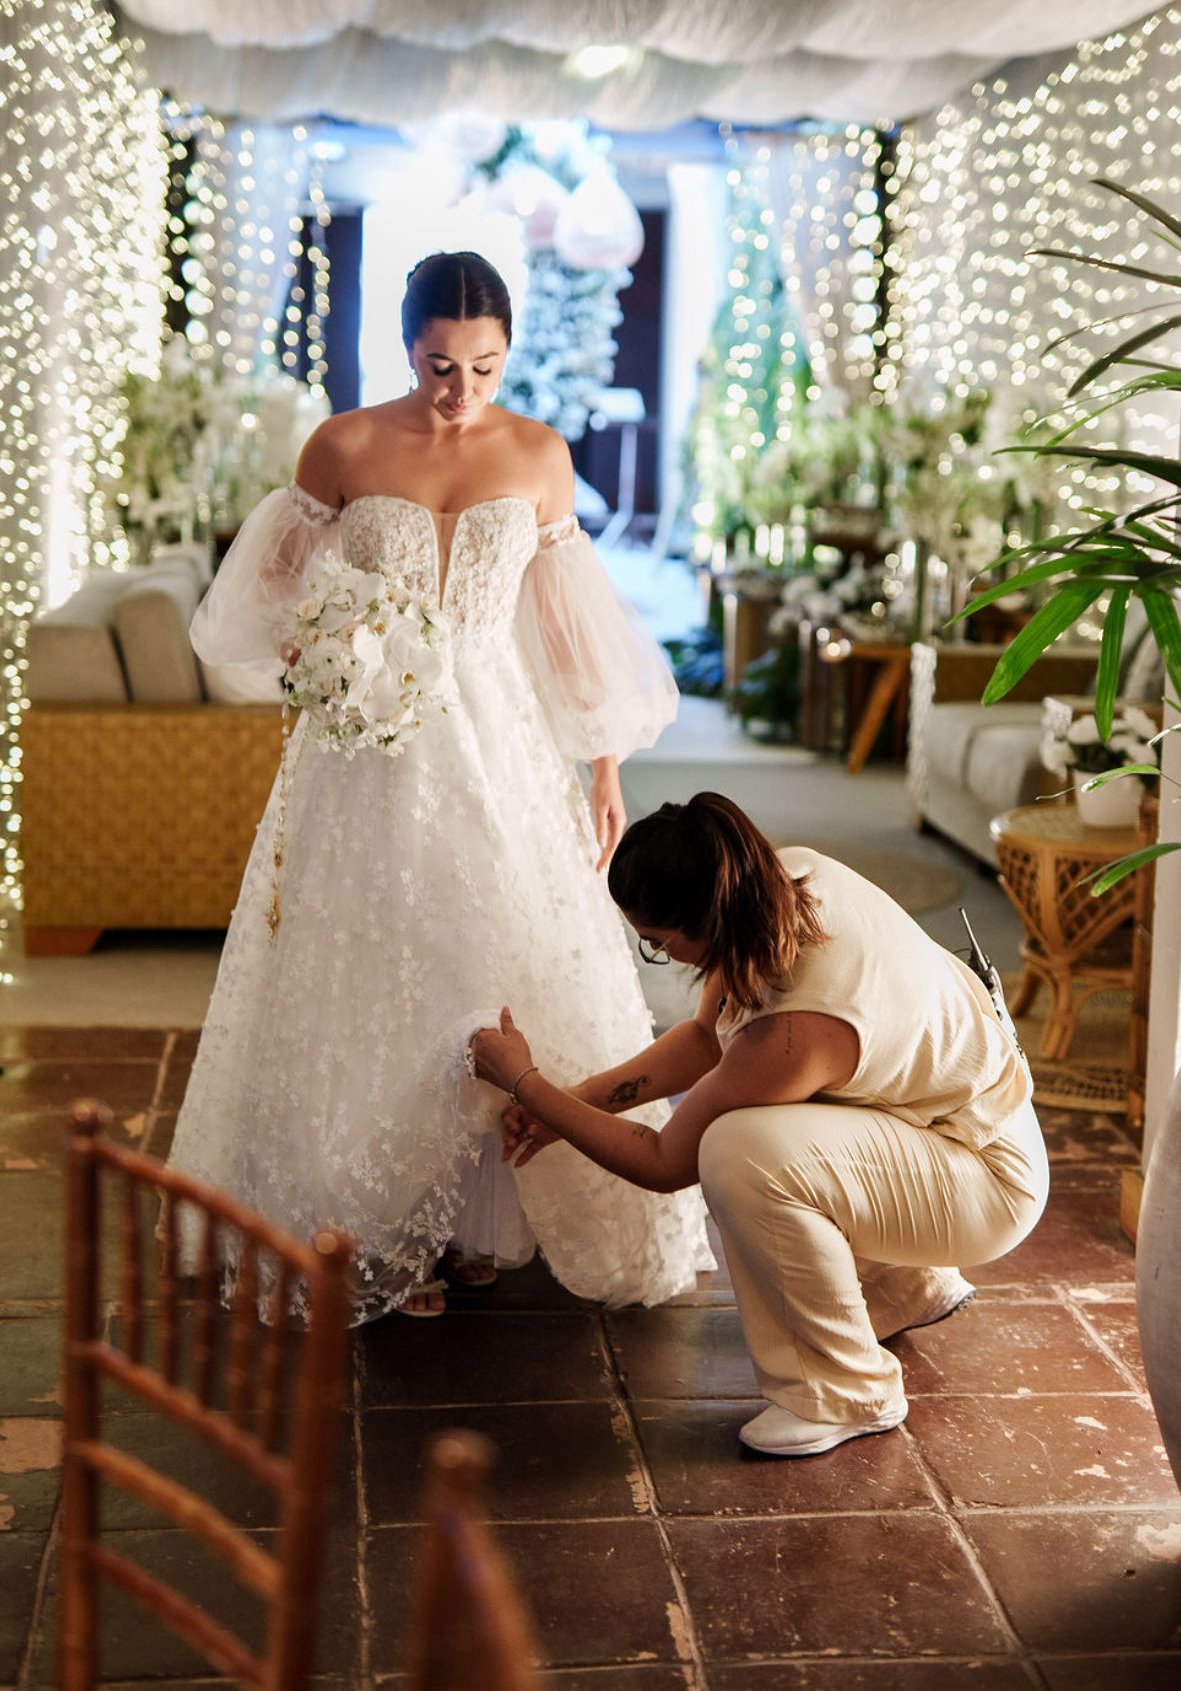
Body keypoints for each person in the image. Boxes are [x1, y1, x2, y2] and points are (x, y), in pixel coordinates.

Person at [168, 250, 713, 1318]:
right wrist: (330, 647)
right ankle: (374, 1227)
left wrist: (603, 765)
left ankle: (476, 1224)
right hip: (367, 750)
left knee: (495, 955)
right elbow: (265, 596)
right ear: (405, 347)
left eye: (483, 367)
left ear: (507, 353)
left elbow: (564, 625)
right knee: (379, 963)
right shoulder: (343, 444)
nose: (460, 389)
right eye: (437, 365)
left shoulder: (539, 454)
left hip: (501, 740)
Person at [473, 792, 1049, 1455]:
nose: (656, 952)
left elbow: (664, 1162)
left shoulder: (795, 1034)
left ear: (702, 920)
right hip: (936, 1132)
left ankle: (847, 1393)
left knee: (739, 1151)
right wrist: (576, 1101)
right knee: (760, 1126)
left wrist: (527, 1083)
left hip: (985, 1179)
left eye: (656, 943)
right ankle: (903, 1286)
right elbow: (706, 1039)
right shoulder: (781, 880)